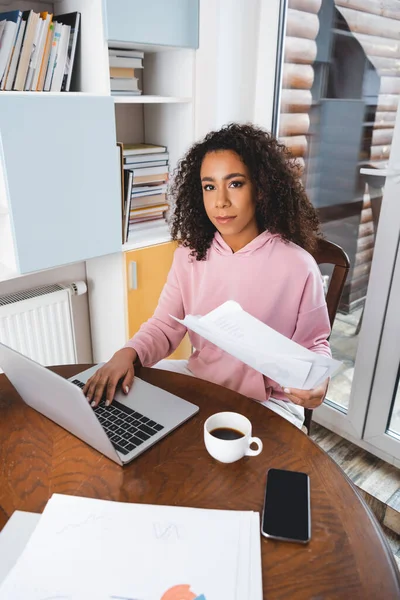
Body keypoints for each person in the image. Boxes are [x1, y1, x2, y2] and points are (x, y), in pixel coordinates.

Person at [84, 123, 331, 429]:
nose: (220, 202)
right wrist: (127, 352)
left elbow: (315, 344)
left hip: (271, 401)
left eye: (236, 184)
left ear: (261, 187)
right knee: (123, 408)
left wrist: (319, 383)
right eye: (209, 186)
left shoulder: (298, 265)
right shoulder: (189, 255)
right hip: (202, 378)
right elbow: (164, 327)